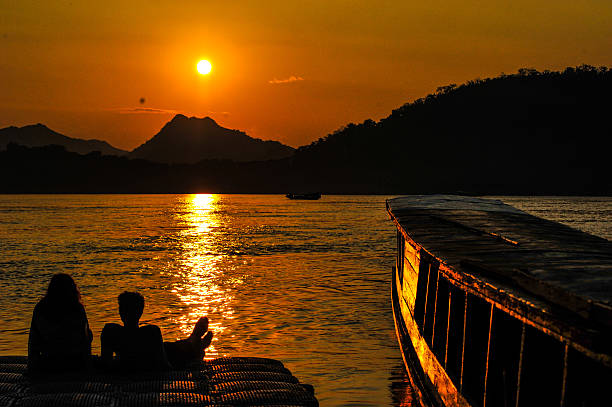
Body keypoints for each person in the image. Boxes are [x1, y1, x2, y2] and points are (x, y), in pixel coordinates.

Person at [100, 291, 213, 371]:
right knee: (171, 349)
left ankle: (194, 341)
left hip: (150, 353)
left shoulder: (110, 331)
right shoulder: (150, 333)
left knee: (168, 346)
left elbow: (106, 363)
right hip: (157, 358)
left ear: (120, 312)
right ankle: (195, 342)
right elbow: (164, 365)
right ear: (140, 312)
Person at [27, 273, 93, 374]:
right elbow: (85, 338)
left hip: (49, 362)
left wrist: (32, 367)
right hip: (74, 363)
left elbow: (33, 341)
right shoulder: (77, 308)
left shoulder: (41, 307)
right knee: (89, 333)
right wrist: (87, 366)